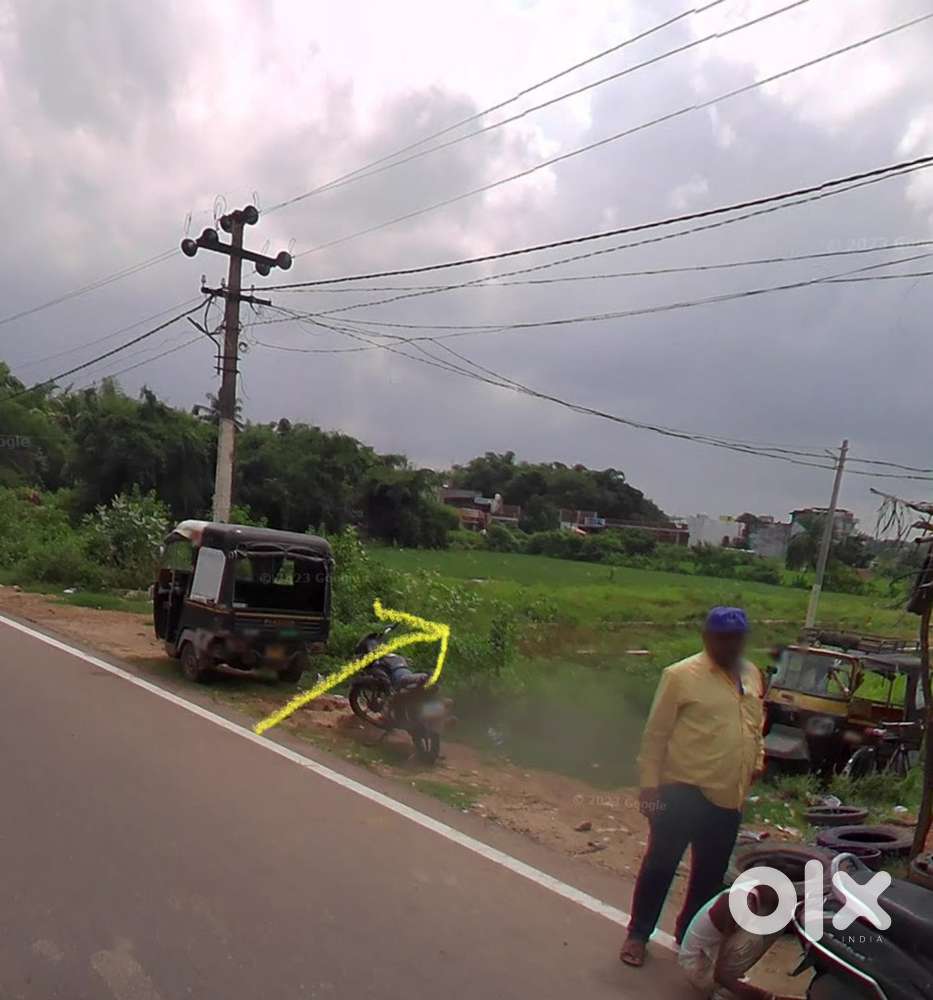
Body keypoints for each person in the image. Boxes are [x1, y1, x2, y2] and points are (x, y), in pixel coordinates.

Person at [620, 606, 764, 967]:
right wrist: (649, 788)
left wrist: (756, 762)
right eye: (723, 638)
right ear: (707, 637)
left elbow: (755, 725)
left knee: (709, 876)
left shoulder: (752, 674)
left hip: (728, 797)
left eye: (736, 639)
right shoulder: (681, 675)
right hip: (681, 790)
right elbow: (655, 735)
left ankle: (689, 938)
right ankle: (638, 935)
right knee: (660, 864)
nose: (730, 645)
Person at [678, 884, 798, 1000]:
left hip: (712, 961)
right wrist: (769, 998)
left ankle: (725, 987)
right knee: (754, 937)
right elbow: (721, 976)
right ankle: (717, 992)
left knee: (774, 927)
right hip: (697, 968)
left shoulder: (755, 896)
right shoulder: (738, 904)